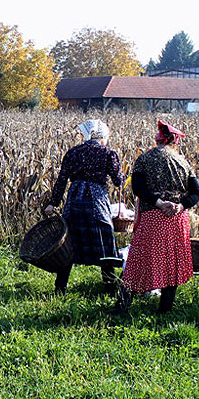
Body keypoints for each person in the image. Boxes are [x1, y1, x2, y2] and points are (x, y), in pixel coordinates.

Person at [113, 120, 199, 316]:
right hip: (176, 220)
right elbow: (197, 193)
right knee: (172, 263)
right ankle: (165, 309)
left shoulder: (144, 159)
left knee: (138, 261)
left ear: (158, 139)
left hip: (153, 217)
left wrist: (159, 202)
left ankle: (122, 306)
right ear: (174, 142)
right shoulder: (183, 162)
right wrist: (180, 206)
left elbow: (138, 188)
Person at [44, 119, 124, 295]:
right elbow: (118, 181)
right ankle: (110, 288)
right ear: (101, 136)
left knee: (69, 242)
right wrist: (121, 173)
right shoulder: (108, 153)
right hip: (97, 203)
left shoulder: (73, 152)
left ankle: (60, 288)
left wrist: (53, 203)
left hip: (75, 201)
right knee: (104, 240)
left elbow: (62, 180)